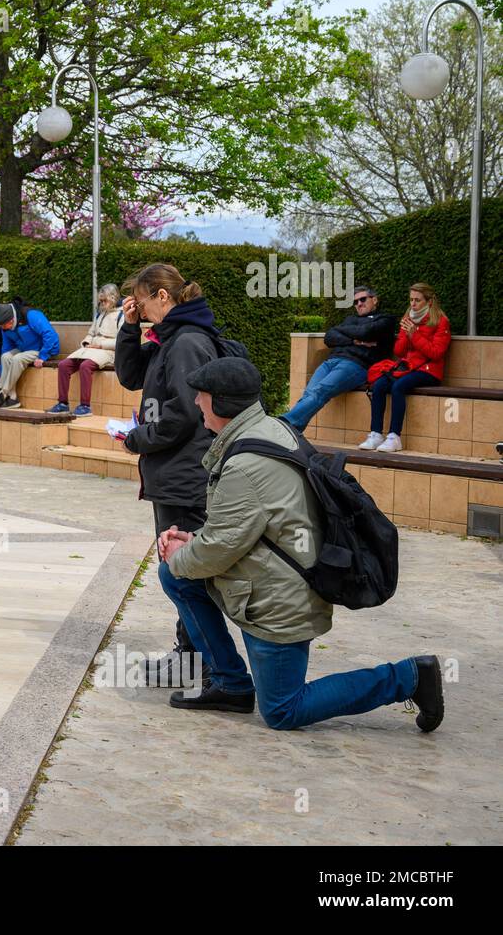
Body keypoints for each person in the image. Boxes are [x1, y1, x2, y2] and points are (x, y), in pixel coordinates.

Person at [160, 356, 444, 732]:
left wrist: (184, 552)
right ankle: (230, 683)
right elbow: (239, 530)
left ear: (222, 403)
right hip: (275, 572)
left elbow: (218, 550)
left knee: (283, 710)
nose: (196, 402)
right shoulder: (270, 429)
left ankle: (408, 677)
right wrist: (192, 544)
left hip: (281, 599)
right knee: (176, 575)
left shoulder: (244, 465)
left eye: (202, 396)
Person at [115, 263, 221, 687]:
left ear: (163, 296)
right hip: (175, 473)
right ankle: (192, 656)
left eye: (142, 302)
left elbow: (183, 415)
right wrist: (128, 328)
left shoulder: (186, 342)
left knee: (185, 572)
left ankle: (204, 661)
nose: (140, 310)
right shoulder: (171, 338)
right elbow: (130, 375)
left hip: (186, 475)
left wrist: (136, 439)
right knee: (182, 570)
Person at [281, 285, 397, 431]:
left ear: (374, 300)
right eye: (355, 302)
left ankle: (284, 424)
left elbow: (367, 332)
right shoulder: (350, 319)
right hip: (331, 362)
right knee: (309, 393)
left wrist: (343, 331)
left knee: (320, 391)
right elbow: (329, 337)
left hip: (356, 365)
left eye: (363, 299)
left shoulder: (386, 320)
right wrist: (355, 340)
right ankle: (293, 431)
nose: (359, 304)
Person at [359, 283, 451, 454]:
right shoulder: (408, 317)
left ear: (429, 302)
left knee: (398, 387)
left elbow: (436, 353)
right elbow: (399, 351)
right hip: (407, 367)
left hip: (429, 371)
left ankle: (394, 437)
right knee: (378, 385)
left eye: (417, 300)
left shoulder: (441, 321)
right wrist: (406, 335)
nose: (413, 304)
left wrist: (414, 335)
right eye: (411, 300)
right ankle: (376, 434)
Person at [48, 284, 122, 416]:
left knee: (85, 366)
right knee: (63, 365)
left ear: (113, 298)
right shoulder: (100, 314)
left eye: (105, 300)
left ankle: (85, 406)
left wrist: (101, 345)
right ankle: (63, 403)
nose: (102, 303)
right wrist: (87, 342)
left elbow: (121, 341)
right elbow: (91, 333)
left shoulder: (122, 315)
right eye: (101, 300)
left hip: (108, 351)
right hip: (91, 350)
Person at [0, 297, 60, 409]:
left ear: (10, 320)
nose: (1, 328)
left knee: (17, 358)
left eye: (2, 325)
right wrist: (2, 372)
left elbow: (50, 335)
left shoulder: (31, 315)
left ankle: (3, 393)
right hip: (25, 349)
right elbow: (6, 349)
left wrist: (43, 356)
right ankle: (12, 399)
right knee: (6, 357)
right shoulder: (5, 327)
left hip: (42, 349)